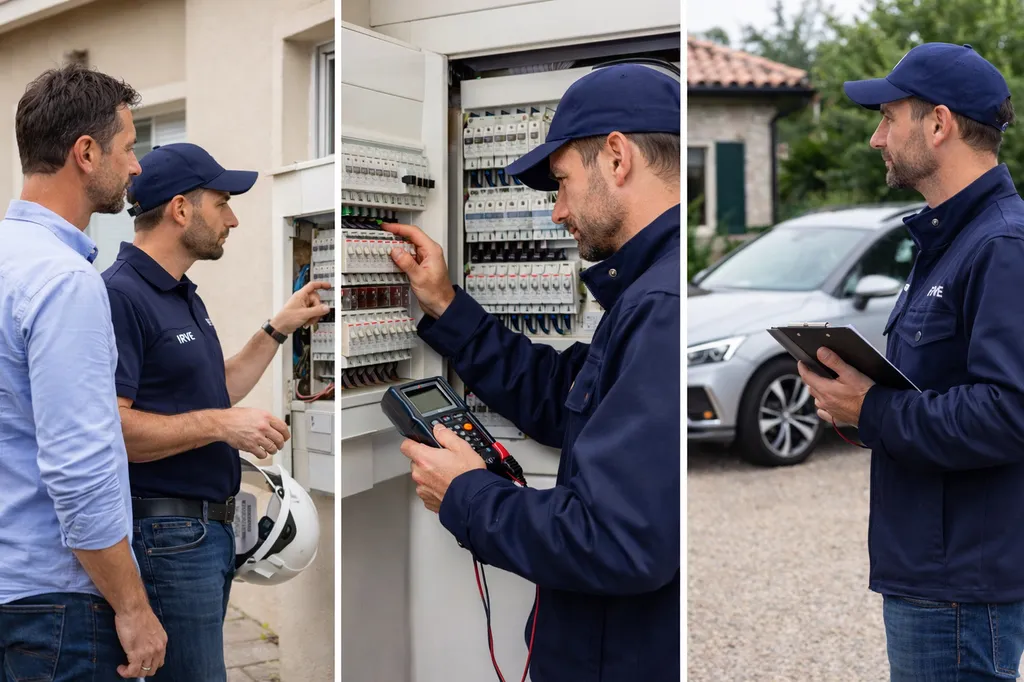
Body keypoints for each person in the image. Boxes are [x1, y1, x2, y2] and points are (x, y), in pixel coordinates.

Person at [388, 64, 680, 682]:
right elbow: (562, 394)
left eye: (563, 182)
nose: (556, 212)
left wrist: (466, 494)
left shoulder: (660, 305)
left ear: (617, 157)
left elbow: (618, 541)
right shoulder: (650, 292)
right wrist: (444, 305)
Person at [800, 43, 1024, 681]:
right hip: (931, 564)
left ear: (939, 124)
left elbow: (1008, 412)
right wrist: (852, 398)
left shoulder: (1001, 246)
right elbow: (938, 386)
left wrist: (872, 410)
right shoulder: (950, 240)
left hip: (959, 577)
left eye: (887, 118)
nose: (876, 138)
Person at [101, 142, 330, 681]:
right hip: (167, 536)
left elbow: (214, 391)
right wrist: (223, 427)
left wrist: (278, 329)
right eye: (222, 202)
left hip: (205, 536)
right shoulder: (120, 295)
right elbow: (113, 427)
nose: (233, 218)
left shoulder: (181, 294)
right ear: (181, 210)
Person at [0, 64, 167, 680]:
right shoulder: (64, 281)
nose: (136, 167)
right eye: (127, 148)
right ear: (85, 152)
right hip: (57, 603)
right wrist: (133, 607)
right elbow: (77, 466)